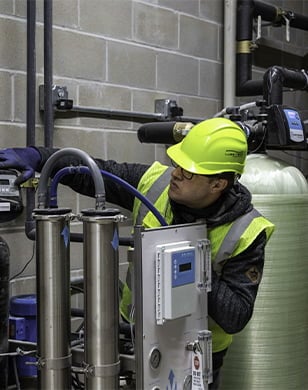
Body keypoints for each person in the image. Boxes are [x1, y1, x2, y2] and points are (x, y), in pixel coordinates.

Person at [0, 117, 274, 389]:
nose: (175, 174)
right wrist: (39, 157)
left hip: (196, 354)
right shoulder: (155, 183)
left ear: (218, 185)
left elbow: (236, 314)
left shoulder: (246, 230)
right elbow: (96, 171)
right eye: (176, 163)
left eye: (188, 171)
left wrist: (189, 263)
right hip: (133, 336)